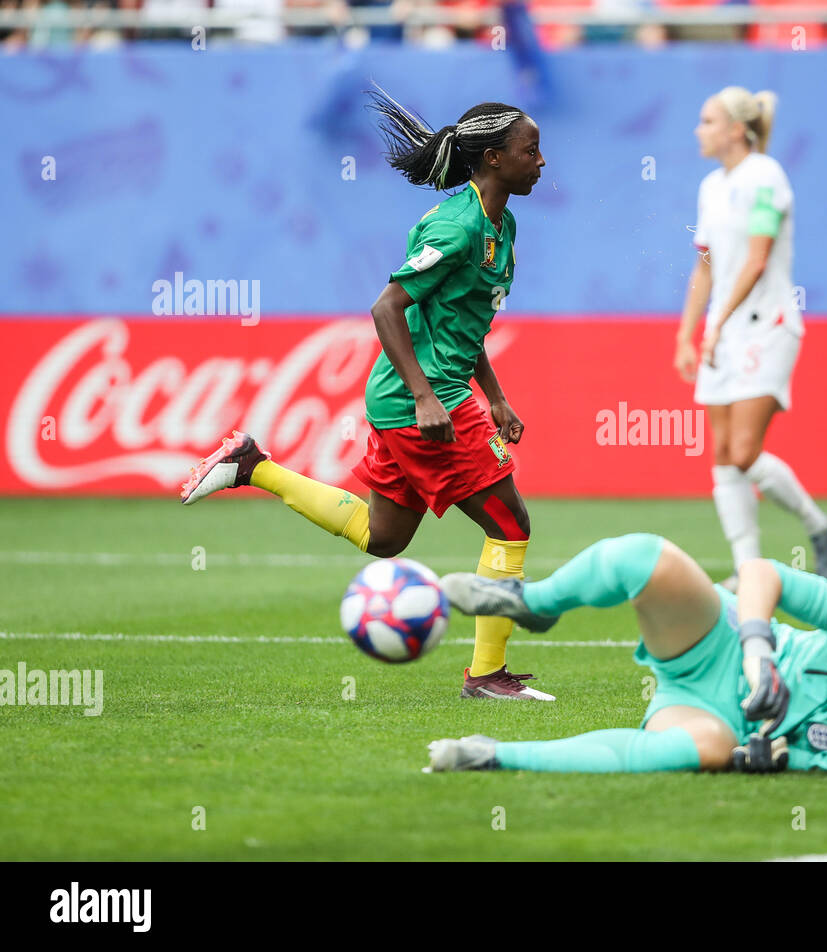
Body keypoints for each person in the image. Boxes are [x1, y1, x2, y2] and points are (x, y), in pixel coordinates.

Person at [181, 90, 552, 701]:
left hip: (424, 396)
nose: (541, 161)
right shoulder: (457, 225)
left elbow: (461, 319)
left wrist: (498, 396)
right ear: (492, 158)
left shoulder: (500, 223)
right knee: (510, 526)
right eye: (530, 150)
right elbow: (387, 308)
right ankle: (487, 677)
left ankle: (252, 465)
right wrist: (427, 397)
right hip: (423, 403)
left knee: (384, 540)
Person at [424, 533, 827, 773]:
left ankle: (490, 755)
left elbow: (799, 755)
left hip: (714, 716)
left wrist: (764, 757)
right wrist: (758, 653)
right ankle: (533, 604)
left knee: (708, 748)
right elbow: (762, 574)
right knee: (645, 558)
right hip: (719, 640)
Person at [674, 86, 827, 591]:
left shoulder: (766, 176)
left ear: (736, 129)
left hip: (766, 326)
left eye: (706, 121)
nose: (698, 130)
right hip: (721, 333)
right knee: (723, 454)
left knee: (744, 452)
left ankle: (820, 527)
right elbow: (704, 267)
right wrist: (687, 332)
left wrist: (717, 322)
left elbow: (757, 258)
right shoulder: (710, 186)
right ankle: (748, 568)